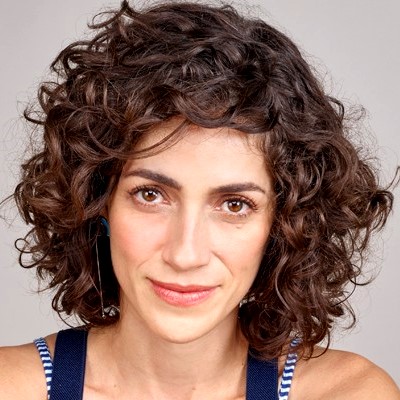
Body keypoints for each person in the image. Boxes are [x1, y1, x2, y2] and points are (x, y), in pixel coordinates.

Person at [0, 1, 399, 398]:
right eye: (151, 195)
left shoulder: (349, 392)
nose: (185, 254)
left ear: (283, 221)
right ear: (98, 201)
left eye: (234, 205)